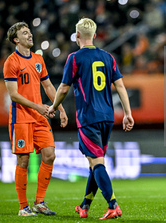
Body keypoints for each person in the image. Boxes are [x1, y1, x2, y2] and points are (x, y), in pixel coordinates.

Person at [48, 18, 134, 219]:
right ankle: (84, 206)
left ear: (77, 35)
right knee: (95, 163)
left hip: (88, 117)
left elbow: (63, 88)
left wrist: (53, 107)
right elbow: (120, 86)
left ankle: (113, 205)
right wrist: (128, 113)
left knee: (96, 163)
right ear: (95, 36)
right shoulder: (108, 57)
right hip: (107, 117)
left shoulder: (75, 58)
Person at [3, 22, 68, 216]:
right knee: (23, 161)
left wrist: (60, 108)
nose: (30, 35)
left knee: (50, 154)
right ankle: (23, 207)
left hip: (39, 117)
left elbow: (48, 86)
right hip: (20, 118)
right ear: (16, 39)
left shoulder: (38, 58)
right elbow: (13, 95)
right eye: (25, 33)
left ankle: (40, 202)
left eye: (30, 32)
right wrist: (39, 107)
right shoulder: (11, 62)